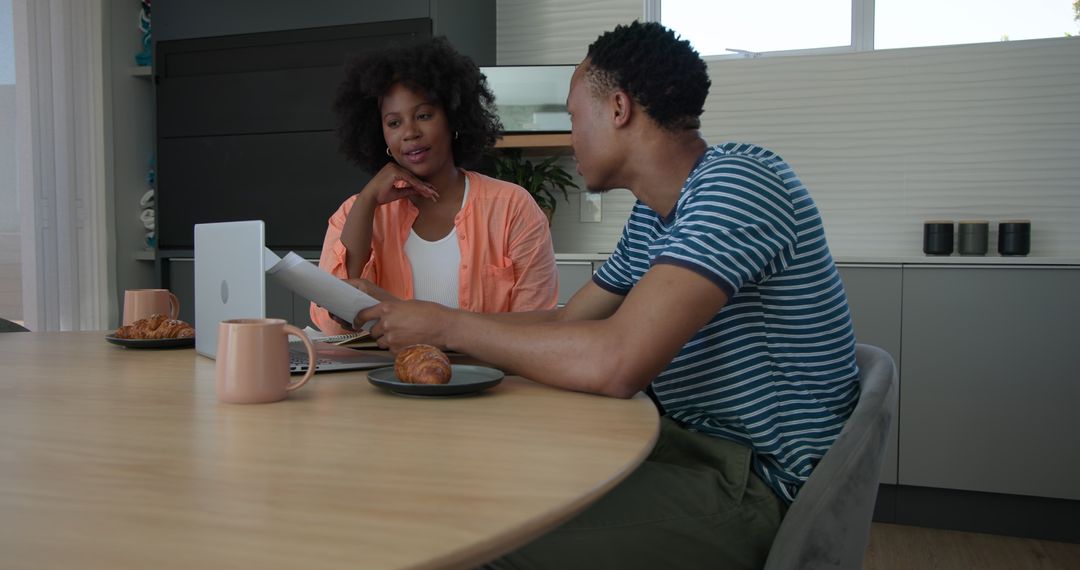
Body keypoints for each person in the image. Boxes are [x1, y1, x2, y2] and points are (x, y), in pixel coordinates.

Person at [357, 21, 859, 569]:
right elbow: (570, 322)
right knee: (486, 481)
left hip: (756, 482)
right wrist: (430, 332)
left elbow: (615, 362)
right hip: (684, 449)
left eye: (574, 117)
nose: (571, 135)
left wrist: (445, 327)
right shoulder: (656, 214)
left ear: (617, 108)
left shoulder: (738, 183)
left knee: (478, 535)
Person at [310, 37, 558, 335]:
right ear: (380, 135)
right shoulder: (355, 211)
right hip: (381, 380)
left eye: (424, 116)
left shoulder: (511, 208)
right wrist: (367, 202)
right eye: (393, 123)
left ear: (452, 118)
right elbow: (332, 327)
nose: (410, 133)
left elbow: (538, 328)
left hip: (491, 380)